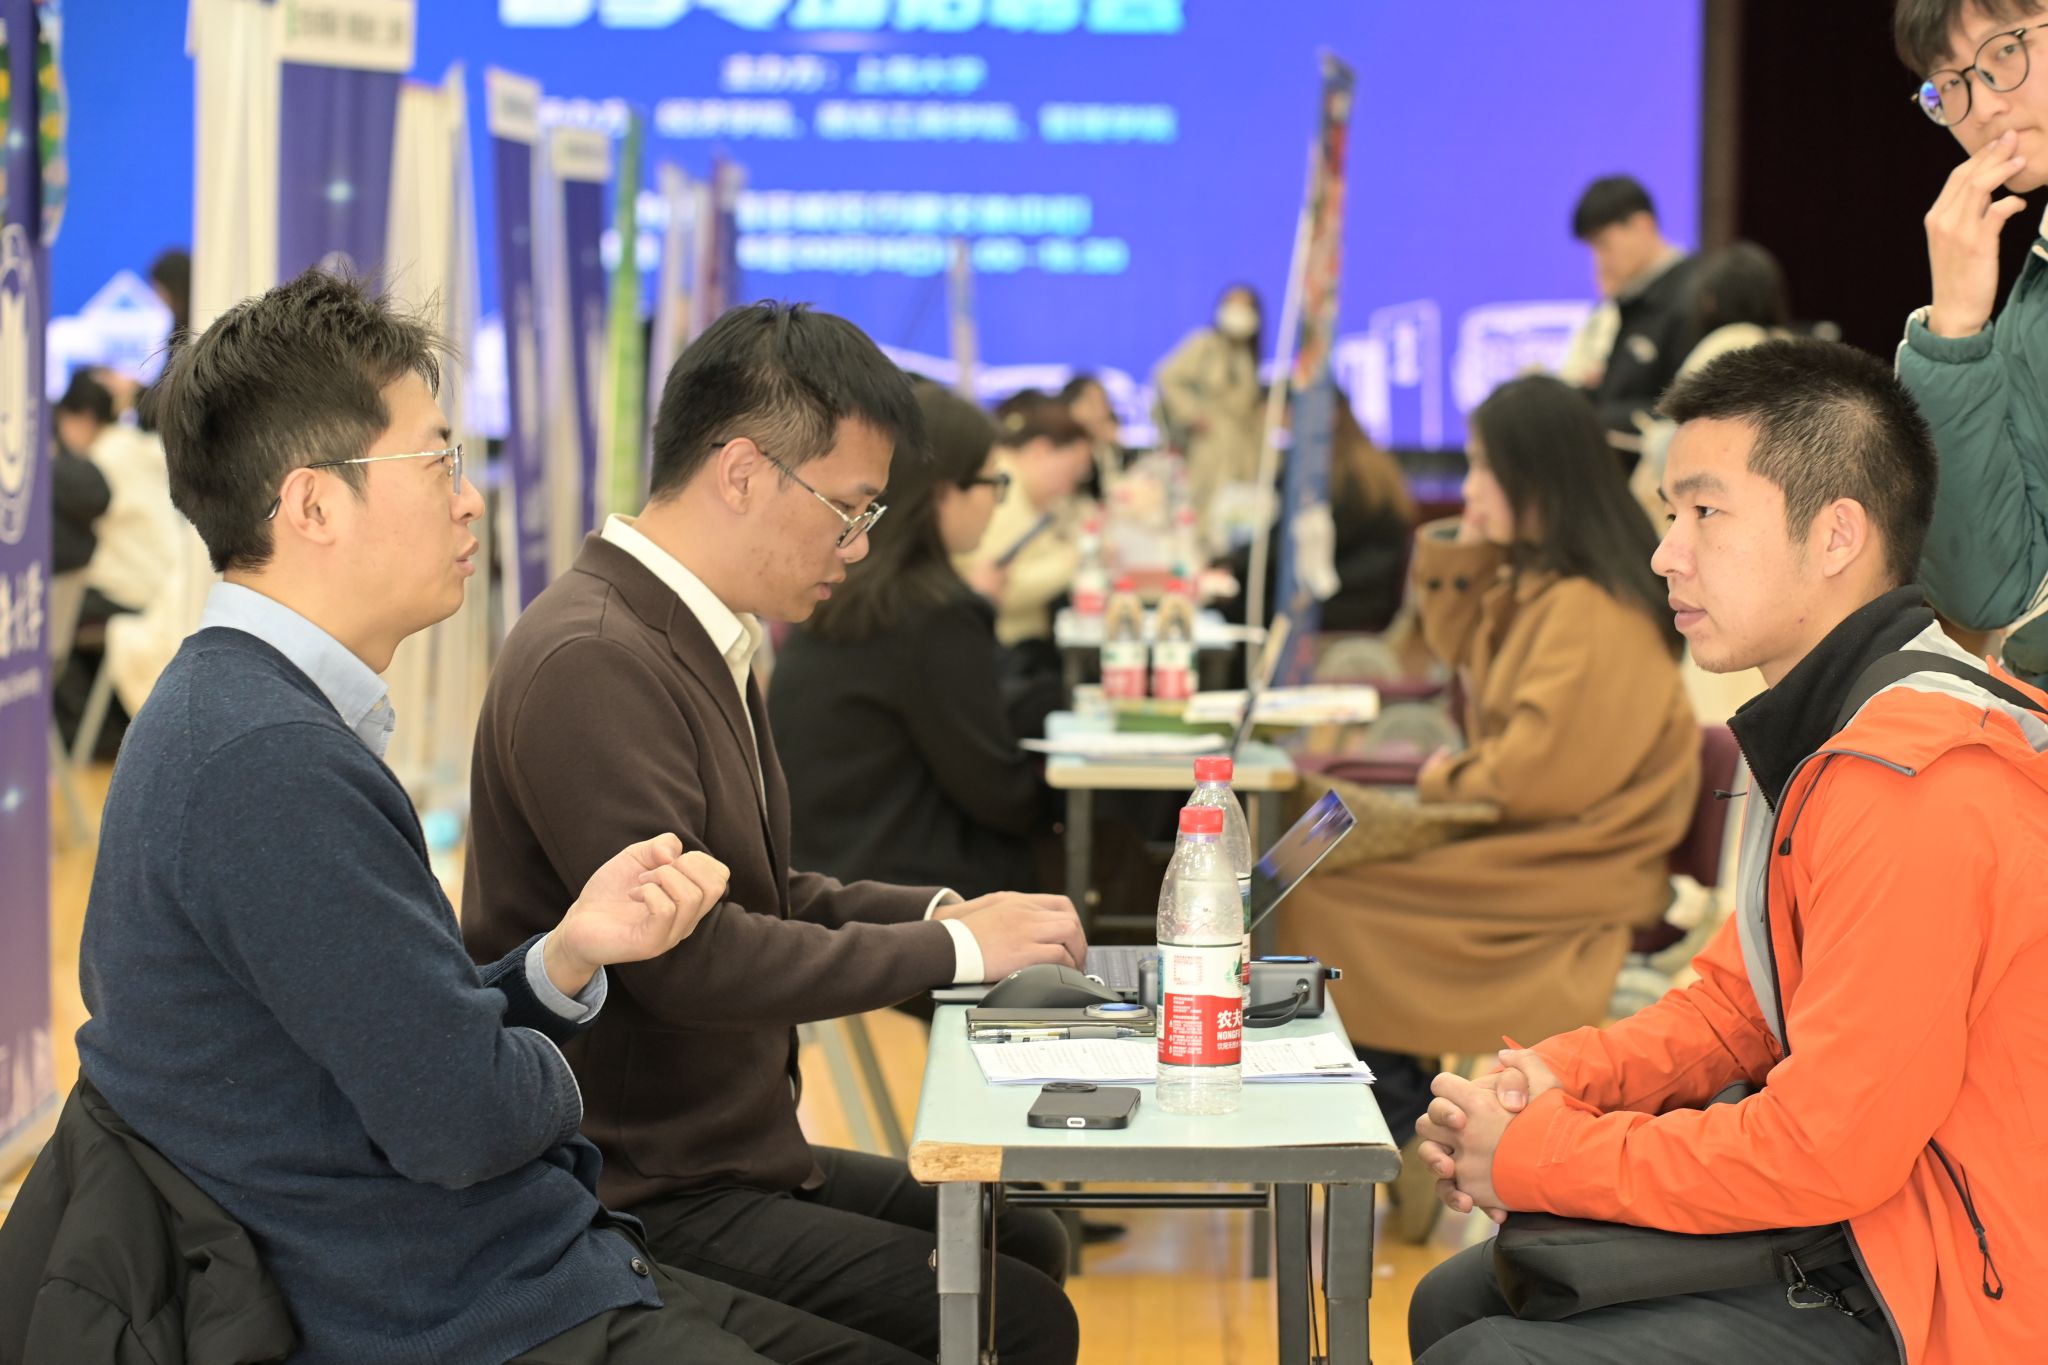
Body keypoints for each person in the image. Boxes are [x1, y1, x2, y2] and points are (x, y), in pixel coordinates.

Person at [58, 268, 909, 1365]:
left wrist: (563, 958)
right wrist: (540, 1066)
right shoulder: (265, 760)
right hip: (441, 1302)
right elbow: (463, 1115)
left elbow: (405, 1038)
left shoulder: (240, 714)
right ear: (313, 506)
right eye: (438, 462)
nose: (469, 500)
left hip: (480, 1261)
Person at [461, 302, 1085, 1365]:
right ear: (744, 472)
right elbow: (686, 957)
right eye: (847, 509)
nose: (858, 544)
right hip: (636, 1182)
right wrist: (954, 950)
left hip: (726, 1148)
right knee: (1015, 1310)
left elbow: (758, 890)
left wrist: (946, 914)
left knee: (1019, 1238)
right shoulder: (594, 655)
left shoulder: (697, 635)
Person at [1408, 338, 2048, 1365]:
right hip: (1877, 1225)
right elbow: (1740, 1005)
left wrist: (1538, 1153)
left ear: (1835, 535)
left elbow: (1824, 1148)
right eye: (1671, 515)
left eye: (1704, 513)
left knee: (1485, 1349)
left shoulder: (1910, 775)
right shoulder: (1836, 720)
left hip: (1957, 1289)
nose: (1667, 553)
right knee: (1461, 1295)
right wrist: (1557, 1078)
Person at [1275, 375, 1697, 1167]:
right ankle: (1394, 1096)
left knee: (1301, 878)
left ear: (1536, 479)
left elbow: (1530, 778)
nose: (1466, 489)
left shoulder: (1587, 611)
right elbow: (1457, 649)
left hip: (1567, 862)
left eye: (1481, 468)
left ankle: (1394, 1108)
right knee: (1298, 850)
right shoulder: (1542, 588)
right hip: (1525, 834)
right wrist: (1464, 544)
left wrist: (1441, 779)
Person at [771, 379, 1052, 900]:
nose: (996, 503)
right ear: (943, 491)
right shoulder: (932, 614)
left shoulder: (848, 591)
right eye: (993, 483)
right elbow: (1001, 794)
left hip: (824, 876)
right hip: (913, 893)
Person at [1893, 0, 2048, 678]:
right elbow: (1989, 588)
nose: (1982, 108)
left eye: (2005, 50)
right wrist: (1953, 326)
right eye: (1949, 85)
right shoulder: (2033, 289)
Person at [956, 392, 1097, 651]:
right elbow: (997, 585)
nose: (1069, 487)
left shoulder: (1019, 488)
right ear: (1040, 451)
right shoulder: (1005, 488)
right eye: (1071, 472)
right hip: (1006, 646)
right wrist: (1078, 559)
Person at [1569, 175, 1698, 440]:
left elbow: (1687, 406)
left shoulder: (1694, 293)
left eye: (1603, 244)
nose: (1599, 261)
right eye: (1592, 249)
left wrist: (1594, 419)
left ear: (1642, 225)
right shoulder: (1617, 305)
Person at [1153, 283, 1267, 516]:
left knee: (1235, 516)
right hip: (1208, 446)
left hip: (1242, 453)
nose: (1238, 312)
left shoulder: (1249, 355)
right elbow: (1167, 377)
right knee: (1201, 511)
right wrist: (1192, 414)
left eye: (1245, 306)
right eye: (1232, 304)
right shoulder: (1205, 344)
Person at [1060, 371, 1131, 496]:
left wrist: (1115, 450)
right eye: (1093, 403)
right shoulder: (1062, 450)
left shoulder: (1109, 446)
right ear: (1072, 408)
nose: (1103, 411)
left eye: (1104, 401)